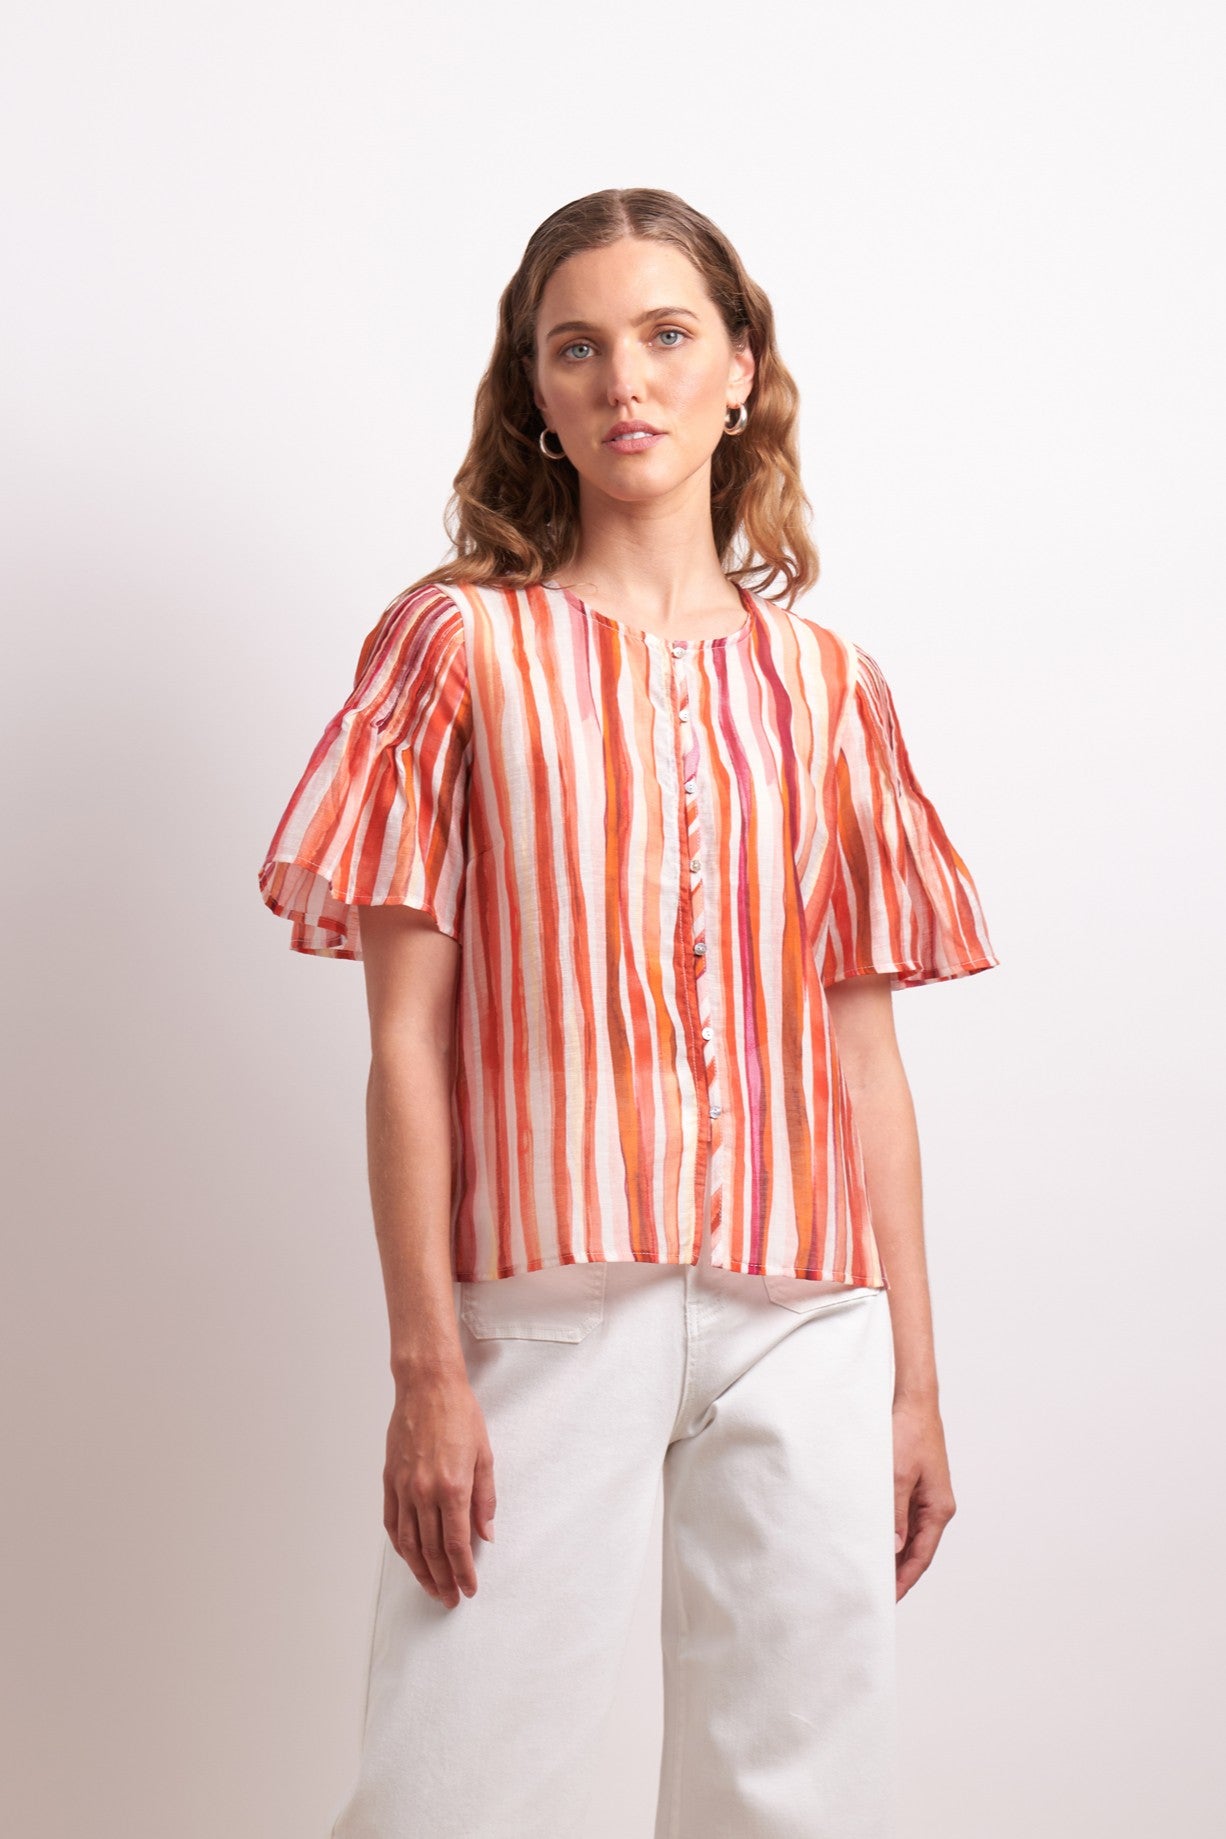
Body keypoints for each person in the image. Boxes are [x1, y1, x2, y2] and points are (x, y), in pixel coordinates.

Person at [257, 187, 1000, 1839]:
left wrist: (914, 1382)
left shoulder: (827, 689)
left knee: (795, 1797)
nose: (625, 382)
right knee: (455, 1786)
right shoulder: (454, 647)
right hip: (544, 1302)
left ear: (741, 368)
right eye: (576, 348)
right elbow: (403, 1046)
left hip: (806, 1311)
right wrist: (426, 1370)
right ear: (535, 393)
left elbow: (866, 1060)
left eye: (668, 336)